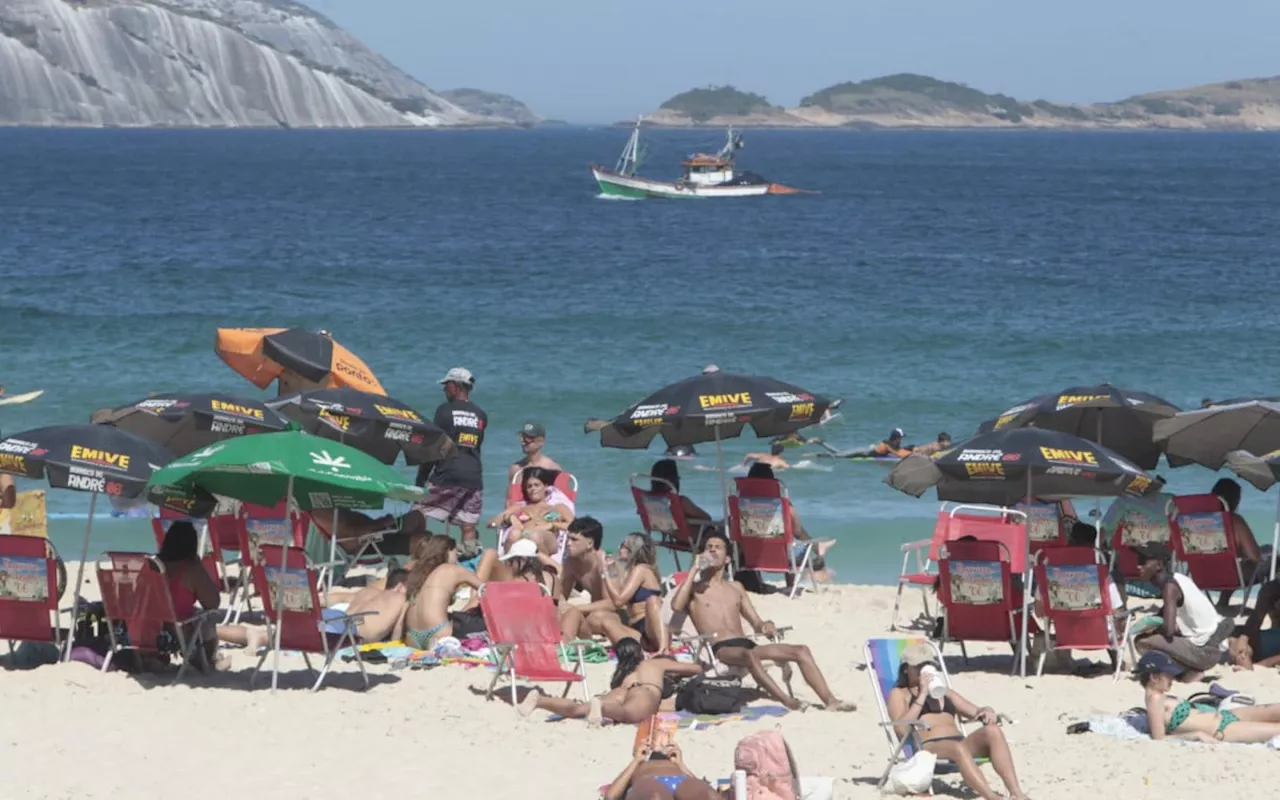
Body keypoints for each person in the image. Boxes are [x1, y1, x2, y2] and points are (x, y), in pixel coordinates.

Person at [670, 532, 854, 712]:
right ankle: (787, 701)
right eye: (708, 547)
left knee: (801, 650)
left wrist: (766, 625)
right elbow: (676, 606)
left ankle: (831, 701)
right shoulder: (695, 589)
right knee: (750, 656)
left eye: (718, 547)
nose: (712, 550)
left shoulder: (736, 588)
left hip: (747, 643)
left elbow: (756, 622)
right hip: (722, 649)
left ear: (727, 558)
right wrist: (694, 569)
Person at [886, 642, 1029, 800]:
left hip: (960, 743)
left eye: (927, 665)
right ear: (906, 668)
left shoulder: (944, 691)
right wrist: (922, 695)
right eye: (918, 666)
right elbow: (901, 729)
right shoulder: (899, 694)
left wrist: (987, 711)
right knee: (958, 748)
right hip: (928, 747)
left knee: (992, 730)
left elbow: (976, 711)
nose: (923, 670)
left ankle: (1017, 793)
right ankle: (992, 797)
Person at [516, 637, 703, 724]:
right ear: (640, 652)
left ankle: (541, 700)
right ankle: (602, 707)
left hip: (620, 691)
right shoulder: (655, 664)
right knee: (628, 714)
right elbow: (695, 669)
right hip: (644, 691)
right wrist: (674, 672)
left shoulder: (622, 674)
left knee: (580, 708)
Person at [404, 367, 487, 558]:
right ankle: (469, 563)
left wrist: (420, 482)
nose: (444, 390)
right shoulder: (480, 415)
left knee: (418, 513)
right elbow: (474, 447)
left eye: (446, 386)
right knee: (468, 525)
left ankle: (419, 558)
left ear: (456, 387)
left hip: (449, 473)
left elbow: (434, 447)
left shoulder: (444, 411)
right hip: (474, 476)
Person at [1132, 543, 1232, 680]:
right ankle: (1188, 669)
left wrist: (1151, 628)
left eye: (1143, 562)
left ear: (1159, 565)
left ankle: (1187, 671)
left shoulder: (1170, 588)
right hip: (1212, 643)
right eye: (1138, 561)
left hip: (1204, 651)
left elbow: (1169, 630)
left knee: (1141, 641)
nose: (1138, 566)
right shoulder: (1179, 578)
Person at [1136, 651, 1280, 743]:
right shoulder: (1154, 699)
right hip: (1222, 729)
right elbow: (1159, 738)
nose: (1172, 678)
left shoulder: (1161, 697)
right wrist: (1195, 735)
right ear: (1154, 677)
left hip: (1224, 716)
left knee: (1273, 709)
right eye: (1168, 674)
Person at [744, 462, 833, 582]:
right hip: (782, 559)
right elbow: (797, 530)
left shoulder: (742, 504)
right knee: (789, 539)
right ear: (772, 481)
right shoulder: (782, 505)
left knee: (785, 539)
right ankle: (816, 551)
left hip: (748, 557)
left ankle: (817, 549)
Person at [557, 517, 636, 645]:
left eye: (574, 539)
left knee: (595, 617)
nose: (568, 543)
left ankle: (635, 639)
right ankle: (564, 646)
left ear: (589, 544)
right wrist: (561, 605)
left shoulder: (607, 564)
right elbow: (562, 594)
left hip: (622, 616)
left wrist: (578, 608)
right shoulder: (571, 562)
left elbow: (613, 604)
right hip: (593, 613)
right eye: (568, 538)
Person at [401, 534, 482, 650]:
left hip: (412, 638)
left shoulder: (419, 572)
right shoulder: (453, 569)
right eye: (456, 552)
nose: (457, 557)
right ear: (448, 550)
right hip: (438, 634)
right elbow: (485, 590)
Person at [486, 466, 574, 559]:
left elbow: (575, 527)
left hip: (548, 539)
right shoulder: (520, 506)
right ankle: (508, 566)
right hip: (524, 536)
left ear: (546, 486)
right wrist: (510, 518)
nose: (533, 489)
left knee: (535, 536)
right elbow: (491, 523)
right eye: (529, 486)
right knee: (514, 534)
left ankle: (543, 568)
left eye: (537, 485)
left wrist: (553, 525)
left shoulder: (557, 507)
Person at [600, 533, 669, 652]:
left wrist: (605, 572)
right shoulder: (632, 571)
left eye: (622, 545)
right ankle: (643, 649)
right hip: (637, 631)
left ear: (632, 549)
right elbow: (616, 595)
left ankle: (664, 649)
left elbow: (618, 601)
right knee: (607, 623)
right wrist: (610, 569)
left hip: (652, 629)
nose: (618, 548)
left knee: (653, 600)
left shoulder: (641, 569)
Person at [1210, 477, 1264, 605]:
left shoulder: (1195, 521)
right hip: (1231, 578)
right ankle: (1266, 608)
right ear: (1235, 500)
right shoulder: (1235, 521)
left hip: (1201, 577)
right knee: (1272, 560)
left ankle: (1223, 603)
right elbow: (1255, 556)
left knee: (1231, 562)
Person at [604, 740, 718, 800]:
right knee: (656, 797)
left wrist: (681, 764)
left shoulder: (676, 764)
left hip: (680, 780)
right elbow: (611, 796)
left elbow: (697, 783)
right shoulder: (639, 765)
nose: (656, 743)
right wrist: (636, 760)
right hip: (649, 781)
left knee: (709, 796)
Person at [1227, 578, 1280, 670]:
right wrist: (1243, 639)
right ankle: (1244, 657)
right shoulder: (1271, 588)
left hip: (1271, 645)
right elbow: (1256, 617)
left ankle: (1250, 663)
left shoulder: (1271, 588)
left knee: (1238, 640)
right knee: (1235, 633)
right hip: (1273, 640)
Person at [650, 459, 714, 524]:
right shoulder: (681, 502)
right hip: (696, 533)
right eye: (677, 477)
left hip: (671, 533)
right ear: (671, 480)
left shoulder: (650, 501)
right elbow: (708, 518)